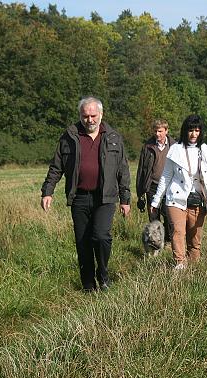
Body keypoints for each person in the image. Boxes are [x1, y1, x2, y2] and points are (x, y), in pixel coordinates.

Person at [40, 96, 131, 292]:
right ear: (80, 116)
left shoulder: (114, 137)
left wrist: (125, 199)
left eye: (93, 116)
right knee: (83, 242)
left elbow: (123, 169)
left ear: (101, 114)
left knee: (101, 236)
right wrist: (48, 191)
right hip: (79, 197)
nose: (89, 120)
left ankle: (103, 273)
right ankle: (88, 284)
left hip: (105, 197)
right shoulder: (69, 137)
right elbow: (56, 167)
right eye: (85, 116)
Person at [150, 115, 207, 270]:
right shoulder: (175, 150)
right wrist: (156, 201)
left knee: (194, 239)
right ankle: (180, 264)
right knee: (178, 231)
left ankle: (194, 268)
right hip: (176, 199)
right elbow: (166, 176)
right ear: (185, 131)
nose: (194, 134)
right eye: (191, 130)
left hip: (199, 200)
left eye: (197, 130)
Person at [136, 119, 175, 242]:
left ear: (166, 131)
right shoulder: (148, 147)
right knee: (153, 217)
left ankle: (168, 242)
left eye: (160, 131)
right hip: (152, 186)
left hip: (170, 187)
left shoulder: (174, 146)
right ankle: (156, 243)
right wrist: (140, 192)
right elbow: (141, 169)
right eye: (155, 131)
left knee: (168, 216)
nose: (157, 134)